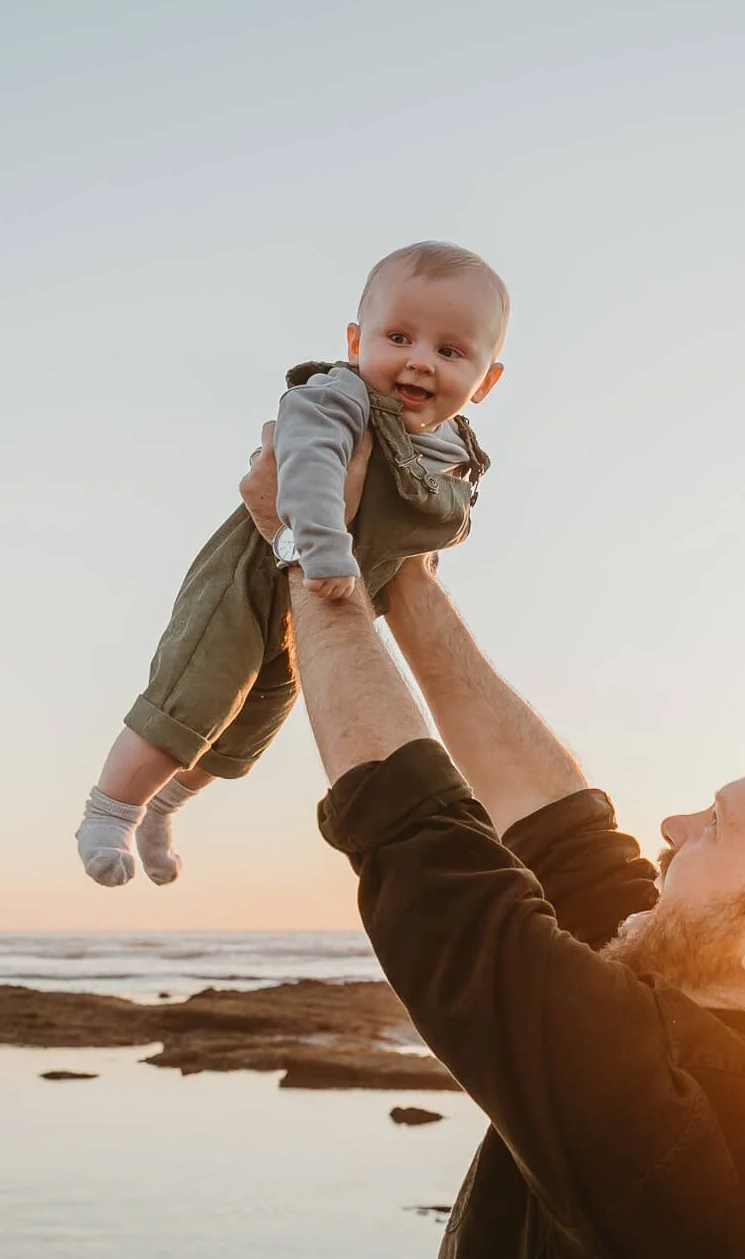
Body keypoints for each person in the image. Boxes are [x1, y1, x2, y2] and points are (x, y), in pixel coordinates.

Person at [235, 437, 745, 1259]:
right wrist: (404, 579)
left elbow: (430, 860)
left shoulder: (684, 1146)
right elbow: (566, 835)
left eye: (717, 826)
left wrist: (306, 539)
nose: (671, 828)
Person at [74, 241, 510, 886]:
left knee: (244, 729)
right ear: (357, 341)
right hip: (254, 575)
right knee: (192, 697)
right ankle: (110, 811)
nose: (420, 361)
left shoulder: (450, 451)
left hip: (320, 605)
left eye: (449, 351)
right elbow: (303, 473)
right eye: (399, 337)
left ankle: (164, 805)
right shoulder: (337, 400)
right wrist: (324, 549)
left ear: (486, 381)